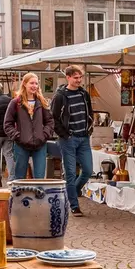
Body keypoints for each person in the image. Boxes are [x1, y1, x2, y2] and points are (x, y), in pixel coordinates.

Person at [52, 65, 94, 215]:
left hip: (83, 137)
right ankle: (74, 206)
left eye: (80, 77)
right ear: (68, 77)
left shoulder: (84, 94)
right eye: (75, 77)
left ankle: (74, 191)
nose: (79, 80)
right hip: (68, 139)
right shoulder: (60, 96)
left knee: (88, 170)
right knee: (70, 172)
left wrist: (89, 128)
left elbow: (90, 112)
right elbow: (54, 118)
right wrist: (65, 134)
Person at [4, 72, 54, 180]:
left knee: (40, 178)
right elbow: (8, 124)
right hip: (21, 145)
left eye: (36, 83)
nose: (34, 86)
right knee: (20, 177)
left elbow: (49, 121)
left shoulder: (42, 102)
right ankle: (20, 196)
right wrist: (18, 136)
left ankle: (38, 196)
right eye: (31, 83)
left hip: (40, 144)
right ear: (25, 84)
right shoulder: (15, 102)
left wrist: (44, 135)